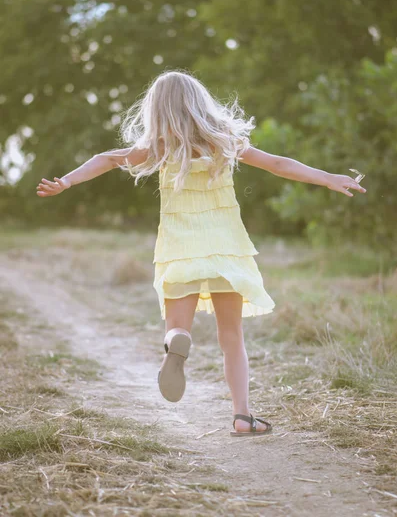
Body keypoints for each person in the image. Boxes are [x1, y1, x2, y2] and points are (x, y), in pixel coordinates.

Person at [36, 70, 366, 436]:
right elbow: (278, 163)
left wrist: (66, 181)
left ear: (156, 110)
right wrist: (328, 178)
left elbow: (106, 158)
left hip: (180, 250)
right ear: (200, 103)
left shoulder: (158, 149)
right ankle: (242, 416)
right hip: (225, 249)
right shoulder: (224, 143)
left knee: (176, 327)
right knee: (232, 337)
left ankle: (177, 340)